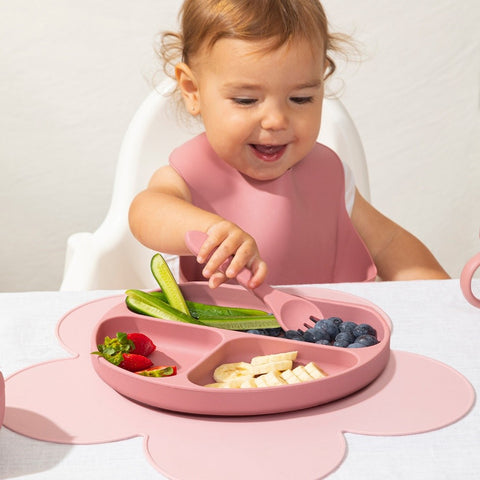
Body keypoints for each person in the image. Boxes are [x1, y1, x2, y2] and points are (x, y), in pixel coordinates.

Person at [129, 0, 449, 289]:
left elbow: (389, 244)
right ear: (192, 91)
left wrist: (444, 296)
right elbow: (145, 213)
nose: (276, 121)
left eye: (301, 98)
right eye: (246, 100)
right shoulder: (189, 175)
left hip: (328, 338)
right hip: (227, 343)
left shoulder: (328, 176)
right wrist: (211, 230)